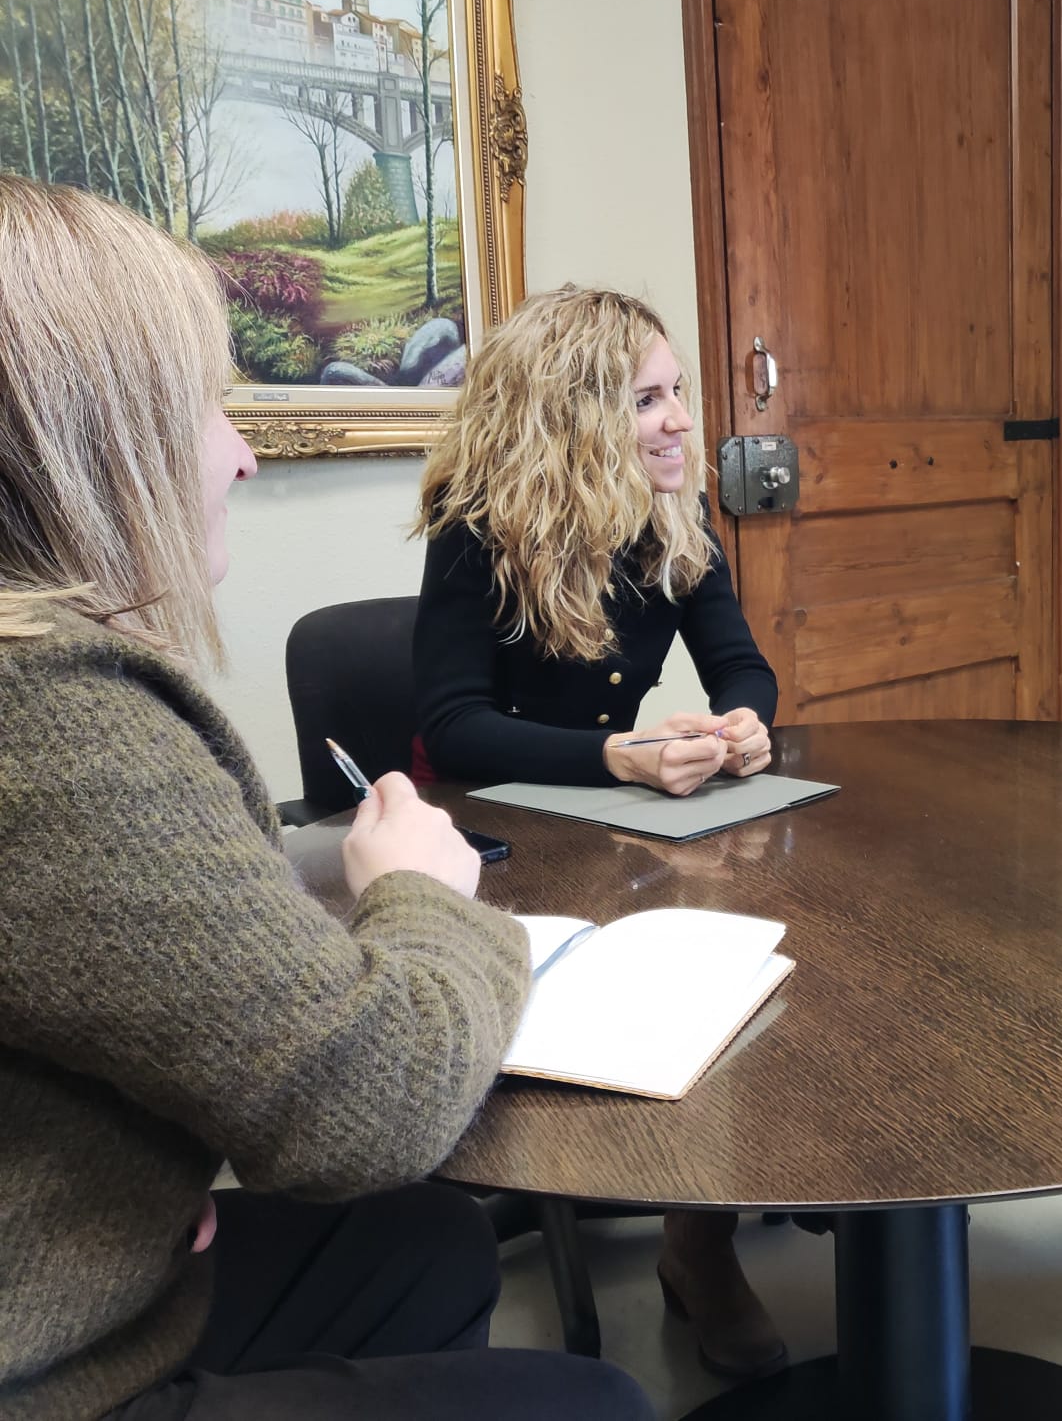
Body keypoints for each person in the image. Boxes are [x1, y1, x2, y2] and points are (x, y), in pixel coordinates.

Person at [0, 177, 651, 1419]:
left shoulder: (666, 532)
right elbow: (369, 1105)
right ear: (95, 437)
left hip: (68, 1272)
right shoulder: (49, 717)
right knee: (600, 1404)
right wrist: (424, 895)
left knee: (426, 1246)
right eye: (208, 406)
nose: (242, 454)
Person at [411, 285, 786, 1380]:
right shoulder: (477, 527)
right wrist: (617, 756)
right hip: (486, 833)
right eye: (647, 400)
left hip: (612, 823)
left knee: (731, 955)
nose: (681, 421)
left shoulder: (676, 516)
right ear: (572, 416)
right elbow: (455, 727)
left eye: (677, 392)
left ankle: (695, 1242)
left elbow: (742, 664)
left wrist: (743, 723)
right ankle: (584, 1172)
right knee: (627, 991)